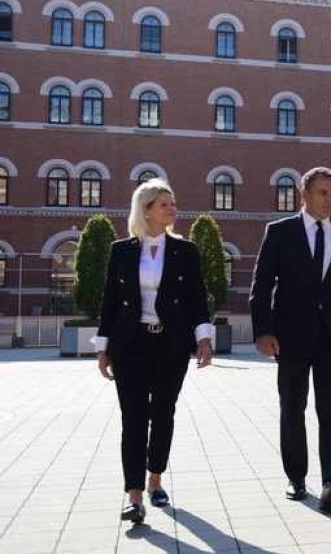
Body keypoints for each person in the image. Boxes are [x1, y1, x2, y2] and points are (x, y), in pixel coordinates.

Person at [96, 179, 214, 523]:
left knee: (163, 414)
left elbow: (197, 298)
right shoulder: (122, 250)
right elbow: (110, 303)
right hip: (130, 345)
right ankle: (133, 494)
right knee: (132, 418)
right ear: (146, 209)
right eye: (164, 203)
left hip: (171, 344)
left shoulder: (185, 251)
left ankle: (155, 480)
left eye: (172, 202)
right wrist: (103, 349)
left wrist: (203, 339)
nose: (172, 208)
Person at [250, 167, 331, 513]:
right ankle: (296, 477)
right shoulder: (280, 232)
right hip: (290, 336)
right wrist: (263, 331)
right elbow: (261, 285)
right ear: (305, 195)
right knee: (293, 406)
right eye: (323, 193)